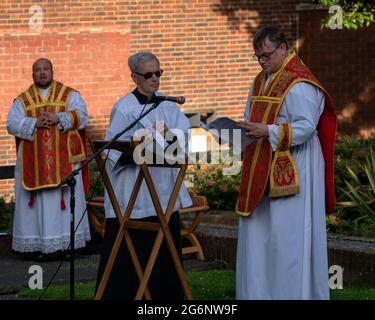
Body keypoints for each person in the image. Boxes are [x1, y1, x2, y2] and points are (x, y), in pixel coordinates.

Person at [236, 26, 336, 300]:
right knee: (260, 234)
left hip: (295, 166)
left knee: (287, 236)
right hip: (261, 161)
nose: (262, 61)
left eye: (266, 55)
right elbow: (251, 116)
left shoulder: (300, 82)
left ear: (282, 49)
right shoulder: (260, 80)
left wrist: (267, 131)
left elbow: (305, 127)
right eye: (258, 57)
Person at [95, 51, 193, 300]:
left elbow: (184, 136)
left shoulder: (169, 104)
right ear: (135, 77)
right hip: (134, 197)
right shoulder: (125, 108)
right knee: (132, 253)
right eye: (148, 74)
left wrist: (166, 137)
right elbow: (113, 150)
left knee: (165, 253)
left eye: (158, 73)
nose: (155, 78)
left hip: (163, 194)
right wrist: (142, 143)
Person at [7, 58, 91, 260]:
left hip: (65, 163)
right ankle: (39, 246)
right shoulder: (22, 100)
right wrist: (34, 122)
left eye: (46, 69)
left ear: (52, 72)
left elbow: (83, 116)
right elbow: (11, 124)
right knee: (38, 205)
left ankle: (69, 245)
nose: (42, 73)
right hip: (33, 164)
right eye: (37, 70)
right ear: (32, 74)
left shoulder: (69, 95)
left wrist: (59, 118)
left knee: (64, 203)